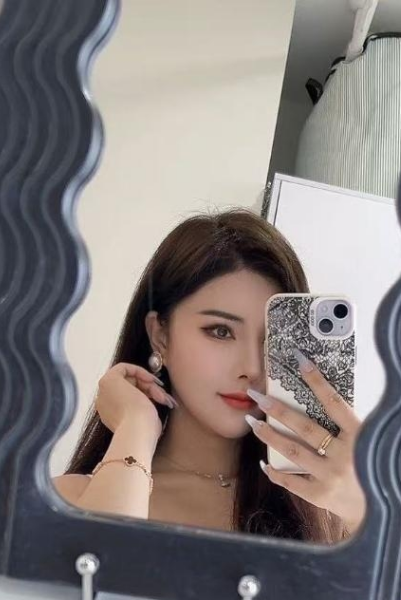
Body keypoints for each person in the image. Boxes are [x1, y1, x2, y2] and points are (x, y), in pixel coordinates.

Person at [53, 209, 366, 543]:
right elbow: (102, 561)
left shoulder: (329, 517)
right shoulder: (68, 502)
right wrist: (136, 427)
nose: (252, 368)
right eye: (221, 331)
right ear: (160, 335)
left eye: (271, 341)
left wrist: (364, 513)